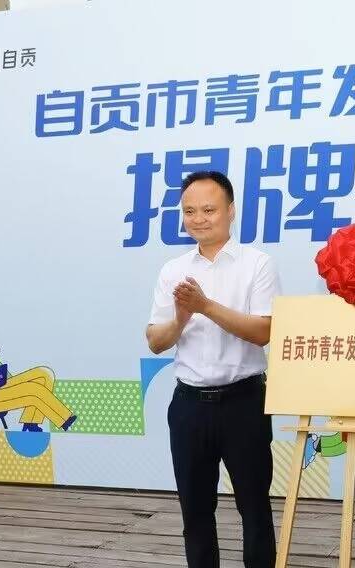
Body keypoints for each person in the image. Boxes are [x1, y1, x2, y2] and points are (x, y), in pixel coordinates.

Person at [146, 170, 280, 568]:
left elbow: (264, 331)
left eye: (209, 209)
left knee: (254, 507)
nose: (199, 219)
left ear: (230, 210)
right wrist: (182, 317)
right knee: (195, 511)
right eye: (190, 211)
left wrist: (205, 306)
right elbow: (156, 340)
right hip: (188, 406)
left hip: (244, 404)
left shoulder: (257, 264)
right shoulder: (172, 270)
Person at [0, 332, 76, 432]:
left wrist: (13, 381)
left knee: (44, 374)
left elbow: (7, 376)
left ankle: (31, 423)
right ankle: (64, 419)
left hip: (4, 387)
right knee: (34, 389)